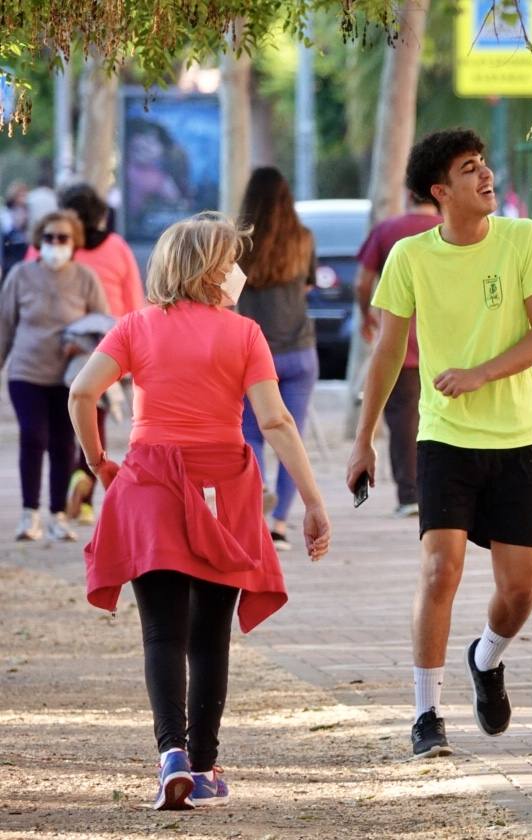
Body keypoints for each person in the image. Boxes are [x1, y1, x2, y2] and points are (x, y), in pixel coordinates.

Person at [68, 212, 331, 811]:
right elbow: (275, 421)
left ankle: (171, 757)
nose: (238, 271)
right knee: (210, 637)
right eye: (230, 260)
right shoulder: (244, 334)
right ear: (212, 272)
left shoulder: (136, 326)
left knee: (162, 630)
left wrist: (98, 460)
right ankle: (207, 766)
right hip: (223, 487)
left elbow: (82, 393)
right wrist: (312, 501)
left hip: (149, 481)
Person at [346, 128, 532, 758]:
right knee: (440, 568)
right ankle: (426, 713)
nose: (486, 176)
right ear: (441, 191)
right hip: (443, 437)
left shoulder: (524, 239)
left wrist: (481, 373)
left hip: (517, 439)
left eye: (484, 164)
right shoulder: (410, 257)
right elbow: (387, 351)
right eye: (470, 170)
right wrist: (363, 440)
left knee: (520, 590)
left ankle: (486, 657)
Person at [0, 210, 109, 542]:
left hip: (68, 378)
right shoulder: (20, 275)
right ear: (39, 240)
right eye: (49, 237)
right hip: (26, 371)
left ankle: (57, 514)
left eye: (63, 238)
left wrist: (82, 347)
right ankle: (29, 513)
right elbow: (5, 325)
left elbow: (104, 327)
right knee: (33, 436)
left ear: (74, 242)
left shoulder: (86, 278)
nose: (55, 244)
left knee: (63, 443)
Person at [234, 167, 319, 552]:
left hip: (252, 353)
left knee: (251, 432)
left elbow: (227, 293)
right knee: (291, 436)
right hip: (299, 349)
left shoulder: (236, 243)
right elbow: (308, 286)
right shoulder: (303, 239)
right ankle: (281, 524)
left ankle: (258, 492)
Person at [57, 182, 145, 524]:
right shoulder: (117, 246)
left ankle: (67, 484)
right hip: (111, 343)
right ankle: (88, 488)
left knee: (65, 418)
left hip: (64, 343)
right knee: (97, 415)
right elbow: (134, 298)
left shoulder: (60, 244)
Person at [354, 193, 442, 518]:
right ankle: (441, 491)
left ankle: (409, 495)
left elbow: (362, 282)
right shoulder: (452, 230)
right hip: (446, 346)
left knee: (403, 423)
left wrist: (367, 313)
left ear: (407, 195)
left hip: (399, 345)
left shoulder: (387, 231)